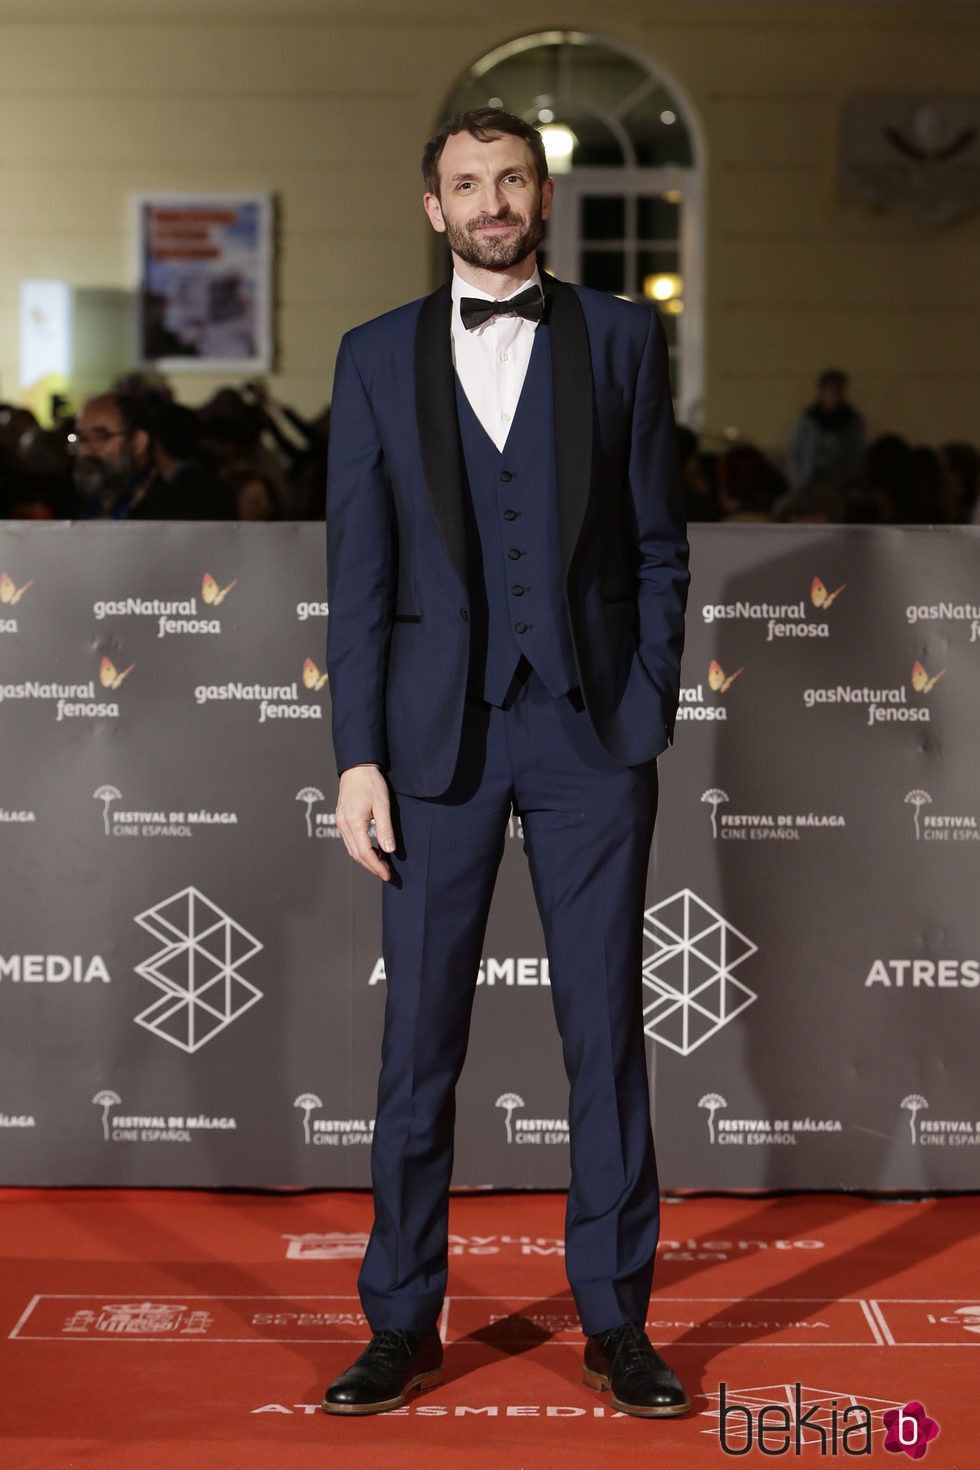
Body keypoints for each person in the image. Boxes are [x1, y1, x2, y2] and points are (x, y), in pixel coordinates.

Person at [321, 107, 690, 1421]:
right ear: (434, 206)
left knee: (604, 1032)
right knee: (418, 1043)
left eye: (512, 178)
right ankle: (399, 1321)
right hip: (433, 746)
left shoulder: (623, 337)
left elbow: (658, 542)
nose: (491, 200)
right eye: (467, 183)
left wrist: (644, 695)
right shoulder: (373, 355)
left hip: (592, 738)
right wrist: (357, 755)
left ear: (542, 196)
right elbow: (358, 576)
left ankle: (618, 1321)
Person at [786, 367, 866, 493]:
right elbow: (796, 452)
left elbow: (856, 454)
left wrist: (849, 482)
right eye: (832, 390)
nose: (835, 395)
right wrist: (798, 481)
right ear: (822, 391)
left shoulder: (852, 421)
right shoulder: (808, 420)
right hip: (809, 481)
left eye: (839, 391)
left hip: (839, 484)